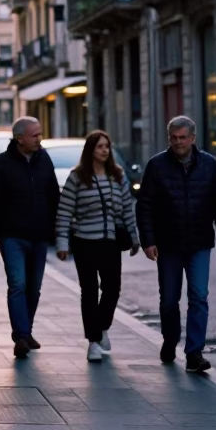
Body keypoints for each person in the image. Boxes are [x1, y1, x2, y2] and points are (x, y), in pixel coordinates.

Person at [136, 115, 216, 372]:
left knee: (199, 297)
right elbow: (144, 206)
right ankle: (170, 340)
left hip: (199, 243)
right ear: (169, 138)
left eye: (183, 138)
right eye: (174, 138)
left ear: (193, 138)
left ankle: (194, 353)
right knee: (169, 300)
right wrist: (148, 240)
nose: (178, 142)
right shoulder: (156, 165)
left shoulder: (209, 165)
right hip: (168, 244)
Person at [55, 130, 140, 363]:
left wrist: (134, 238)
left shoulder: (118, 175)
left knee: (112, 289)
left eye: (107, 146)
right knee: (89, 291)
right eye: (100, 146)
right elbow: (64, 212)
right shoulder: (77, 177)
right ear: (90, 150)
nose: (104, 150)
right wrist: (62, 242)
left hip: (110, 242)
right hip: (84, 242)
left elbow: (127, 209)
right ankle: (93, 341)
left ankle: (102, 327)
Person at [0, 116, 60, 359]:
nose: (39, 139)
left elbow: (53, 195)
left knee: (34, 289)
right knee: (18, 284)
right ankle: (21, 335)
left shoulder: (44, 159)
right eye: (34, 135)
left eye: (40, 134)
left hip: (40, 235)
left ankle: (26, 331)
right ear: (19, 138)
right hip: (12, 235)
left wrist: (57, 229)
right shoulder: (0, 164)